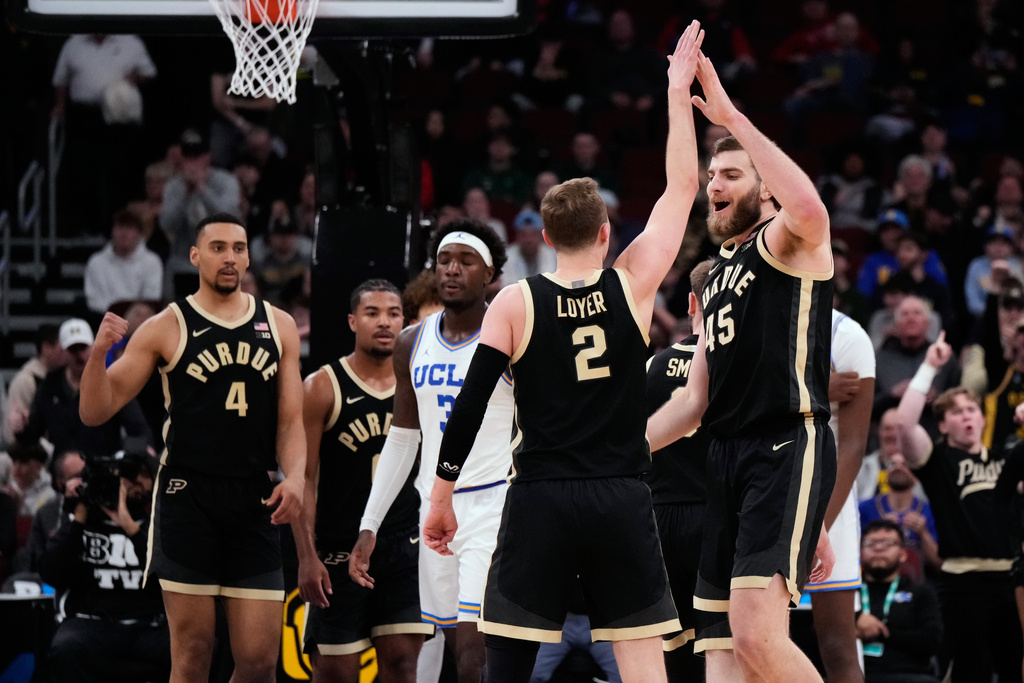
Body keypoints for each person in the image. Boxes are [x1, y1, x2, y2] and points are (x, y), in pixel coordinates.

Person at [423, 22, 706, 683]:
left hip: (543, 493)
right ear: (607, 232)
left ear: (545, 234)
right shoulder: (633, 285)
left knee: (511, 659)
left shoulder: (515, 302)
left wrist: (441, 495)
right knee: (642, 660)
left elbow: (468, 404)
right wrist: (674, 88)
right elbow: (682, 188)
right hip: (621, 493)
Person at [646, 46, 837, 683]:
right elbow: (692, 402)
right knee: (723, 655)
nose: (715, 185)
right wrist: (609, 448)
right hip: (724, 461)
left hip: (784, 442)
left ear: (763, 186)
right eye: (712, 176)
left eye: (731, 173)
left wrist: (731, 116)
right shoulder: (720, 274)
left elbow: (811, 210)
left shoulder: (785, 241)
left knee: (758, 637)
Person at [78, 212, 305, 683]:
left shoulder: (278, 325)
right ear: (195, 256)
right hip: (188, 495)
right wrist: (99, 354)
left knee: (261, 661)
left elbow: (289, 421)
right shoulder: (167, 325)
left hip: (253, 496)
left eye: (239, 248)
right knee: (194, 654)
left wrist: (297, 476)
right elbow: (95, 411)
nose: (230, 257)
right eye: (219, 247)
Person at [349, 218, 511, 683]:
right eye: (443, 260)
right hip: (433, 505)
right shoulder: (412, 341)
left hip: (494, 500)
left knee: (473, 649)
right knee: (441, 639)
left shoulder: (509, 337)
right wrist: (370, 524)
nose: (452, 270)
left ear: (490, 274)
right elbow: (402, 440)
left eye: (465, 261)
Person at [294, 279, 432, 682]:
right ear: (353, 321)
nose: (384, 322)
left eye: (393, 314)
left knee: (404, 667)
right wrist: (306, 555)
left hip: (404, 547)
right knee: (335, 674)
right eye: (372, 313)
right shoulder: (322, 386)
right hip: (338, 549)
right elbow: (303, 478)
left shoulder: (421, 385)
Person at [895, 335, 1022, 682]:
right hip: (964, 581)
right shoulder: (937, 461)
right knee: (970, 673)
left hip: (1013, 580)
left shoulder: (1005, 458)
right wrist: (930, 366)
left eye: (971, 409)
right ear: (943, 425)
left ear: (982, 419)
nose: (967, 416)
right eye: (956, 412)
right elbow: (904, 425)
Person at [40, 450, 171, 683]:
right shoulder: (80, 521)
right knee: (66, 648)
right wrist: (78, 515)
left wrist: (130, 526)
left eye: (143, 475)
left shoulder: (160, 523)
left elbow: (165, 578)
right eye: (127, 475)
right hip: (91, 624)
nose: (134, 482)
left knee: (198, 646)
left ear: (154, 483)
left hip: (150, 625)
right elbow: (52, 573)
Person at [644, 258, 714, 682]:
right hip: (717, 515)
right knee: (722, 647)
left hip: (660, 518)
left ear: (691, 302)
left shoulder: (651, 366)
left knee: (673, 650)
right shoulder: (738, 364)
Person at [803, 310, 875, 683]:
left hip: (829, 496)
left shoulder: (847, 335)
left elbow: (853, 446)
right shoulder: (753, 314)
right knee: (754, 638)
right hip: (762, 488)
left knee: (836, 645)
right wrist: (813, 389)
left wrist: (820, 529)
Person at [17, 317, 153, 458]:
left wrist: (141, 449)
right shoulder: (50, 386)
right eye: (73, 349)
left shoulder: (110, 381)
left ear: (93, 347)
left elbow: (140, 430)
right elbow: (33, 434)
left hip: (104, 467)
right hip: (62, 471)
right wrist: (20, 430)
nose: (79, 355)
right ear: (63, 352)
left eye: (83, 347)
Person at [856, 519, 943, 683]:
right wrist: (854, 620)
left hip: (909, 674)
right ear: (860, 552)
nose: (878, 548)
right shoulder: (848, 594)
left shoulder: (921, 592)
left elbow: (931, 642)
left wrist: (880, 632)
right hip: (855, 674)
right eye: (870, 543)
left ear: (903, 554)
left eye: (888, 543)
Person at [858, 454, 941, 580]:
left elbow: (939, 564)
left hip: (920, 585)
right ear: (885, 473)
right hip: (874, 582)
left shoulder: (931, 511)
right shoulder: (864, 509)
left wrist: (923, 533)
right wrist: (879, 530)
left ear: (917, 476)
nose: (898, 467)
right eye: (892, 464)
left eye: (905, 464)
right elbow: (852, 556)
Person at [83, 208, 164, 315]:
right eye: (120, 227)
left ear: (139, 234)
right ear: (112, 231)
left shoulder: (152, 262)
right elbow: (94, 300)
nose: (124, 233)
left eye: (130, 228)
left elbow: (151, 299)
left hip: (140, 322)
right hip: (105, 321)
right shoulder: (96, 262)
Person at [2, 323, 65, 448]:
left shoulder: (64, 379)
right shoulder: (25, 381)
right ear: (46, 347)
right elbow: (11, 436)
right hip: (34, 456)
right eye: (62, 348)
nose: (67, 353)